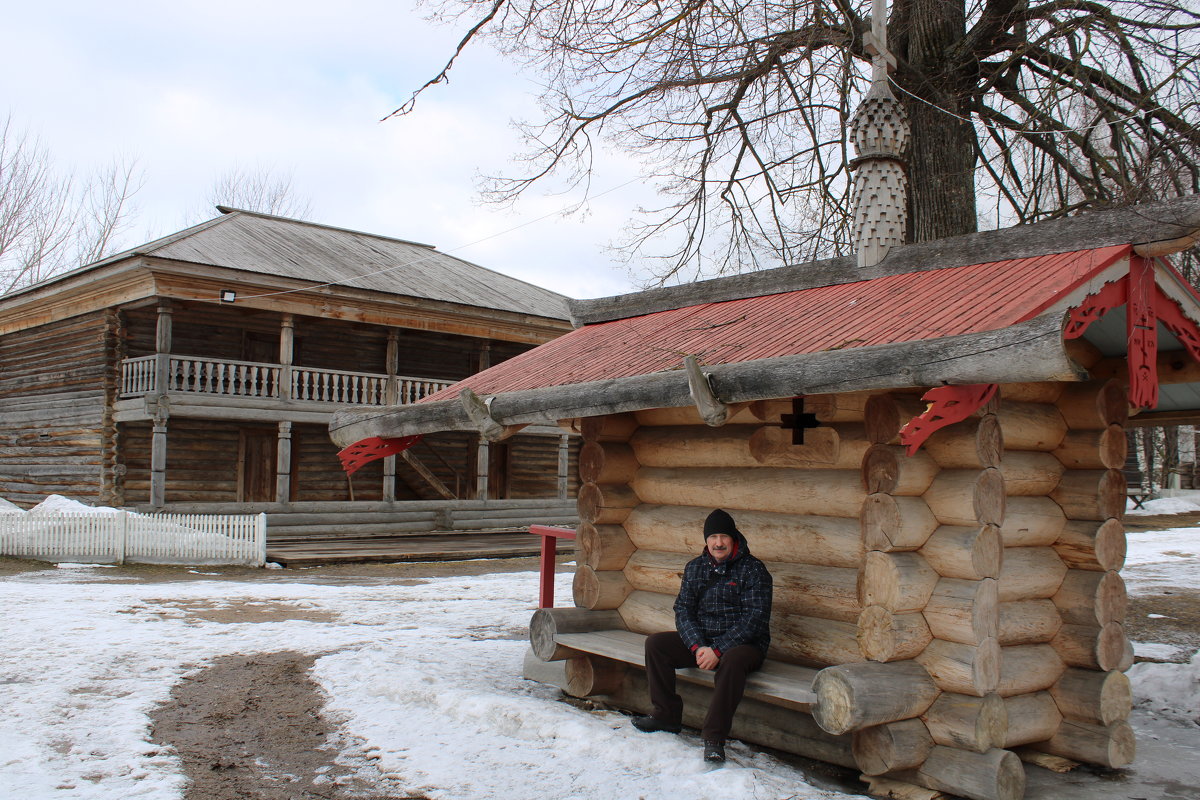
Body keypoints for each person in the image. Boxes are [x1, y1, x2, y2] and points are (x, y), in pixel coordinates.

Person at [631, 508, 773, 763]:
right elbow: (683, 610)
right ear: (706, 540)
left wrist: (718, 650)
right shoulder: (695, 568)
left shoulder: (754, 570)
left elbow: (755, 619)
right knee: (656, 644)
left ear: (734, 538)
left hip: (744, 645)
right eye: (713, 537)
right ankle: (666, 715)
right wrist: (698, 646)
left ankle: (714, 738)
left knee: (733, 662)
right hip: (704, 641)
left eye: (723, 537)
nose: (718, 542)